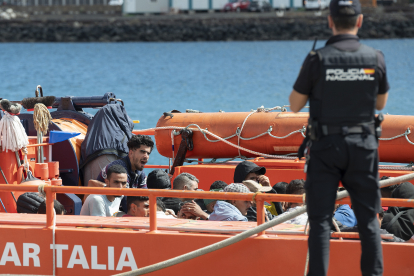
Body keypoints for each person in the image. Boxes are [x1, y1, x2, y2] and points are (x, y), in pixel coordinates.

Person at [289, 0, 389, 274]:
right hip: (362, 146)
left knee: (320, 220)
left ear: (330, 22)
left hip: (326, 147)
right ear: (360, 21)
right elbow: (380, 104)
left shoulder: (317, 58)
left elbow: (295, 105)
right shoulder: (375, 57)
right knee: (369, 219)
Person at [88, 135, 154, 212]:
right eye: (142, 152)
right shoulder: (120, 171)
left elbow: (145, 197)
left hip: (117, 209)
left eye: (148, 153)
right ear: (131, 153)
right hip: (104, 209)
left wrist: (159, 211)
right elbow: (127, 205)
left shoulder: (139, 172)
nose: (146, 156)